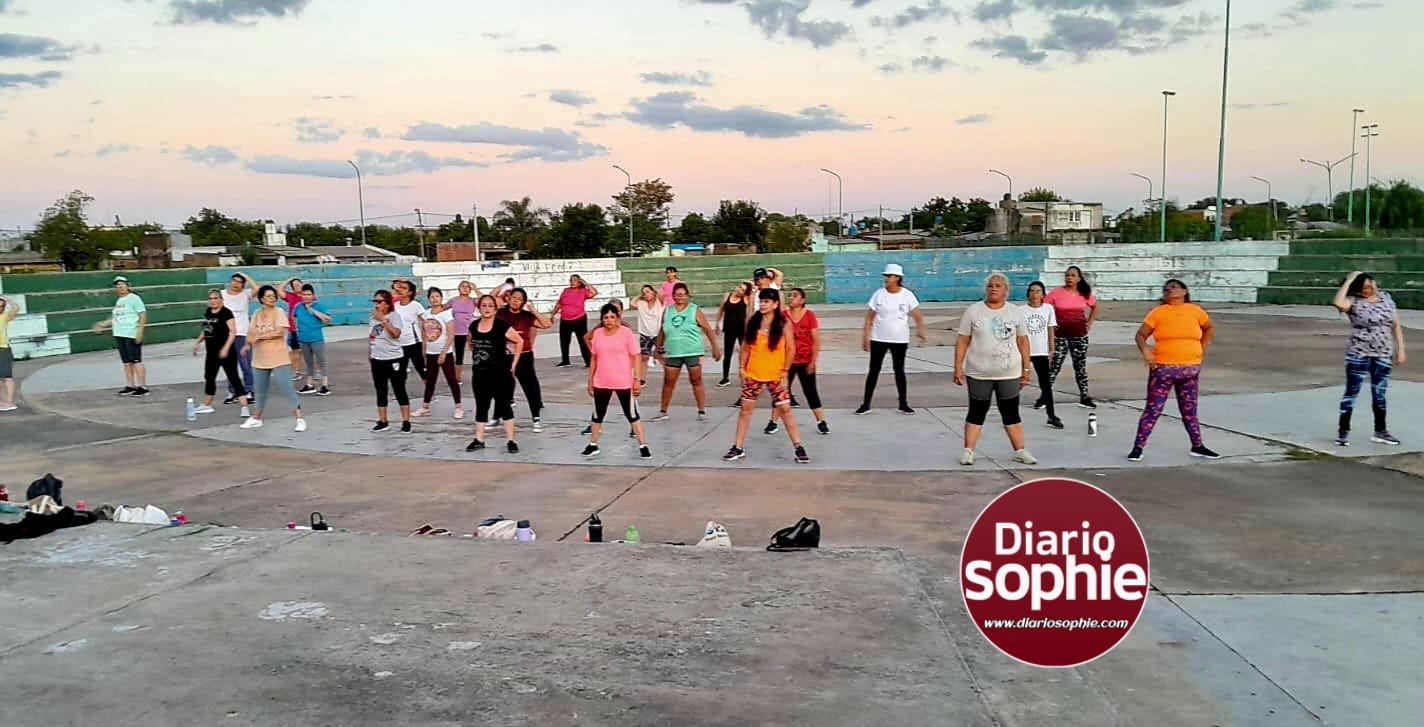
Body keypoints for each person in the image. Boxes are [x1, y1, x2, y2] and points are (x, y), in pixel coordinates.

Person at [1129, 279, 1219, 461]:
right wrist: (1147, 351)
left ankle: (1197, 445)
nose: (1169, 290)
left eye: (1174, 286)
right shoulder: (1158, 312)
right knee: (1153, 409)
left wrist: (1202, 348)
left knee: (1189, 410)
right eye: (1166, 288)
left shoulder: (1195, 310)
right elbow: (1140, 335)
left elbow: (1209, 327)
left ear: (1185, 291)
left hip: (1190, 369)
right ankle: (1138, 447)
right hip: (1163, 368)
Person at [953, 273, 1035, 466]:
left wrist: (1026, 368)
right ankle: (969, 451)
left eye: (998, 286)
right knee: (977, 411)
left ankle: (1020, 450)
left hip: (1009, 373)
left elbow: (1023, 341)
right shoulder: (973, 311)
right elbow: (963, 340)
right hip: (979, 373)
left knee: (1011, 412)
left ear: (1006, 290)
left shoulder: (1015, 312)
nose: (994, 289)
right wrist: (958, 366)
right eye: (990, 285)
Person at [724, 288, 809, 463]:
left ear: (776, 304)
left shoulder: (783, 323)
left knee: (785, 410)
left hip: (776, 375)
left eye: (767, 301)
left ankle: (798, 447)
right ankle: (738, 447)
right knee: (745, 410)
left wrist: (785, 371)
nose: (763, 304)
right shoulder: (753, 322)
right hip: (754, 373)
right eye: (761, 301)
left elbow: (791, 348)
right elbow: (746, 347)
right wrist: (741, 368)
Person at [1332, 271, 1406, 447]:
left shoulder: (1386, 298)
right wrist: (1349, 281)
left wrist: (1401, 350)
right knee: (1352, 392)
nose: (1369, 289)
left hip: (1383, 352)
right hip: (1359, 352)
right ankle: (1343, 432)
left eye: (1370, 284)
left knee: (1379, 394)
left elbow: (1395, 325)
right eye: (1364, 287)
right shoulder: (1354, 302)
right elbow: (1337, 302)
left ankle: (1381, 431)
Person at [583, 302, 653, 460]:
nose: (608, 320)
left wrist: (636, 379)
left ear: (618, 318)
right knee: (597, 414)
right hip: (602, 380)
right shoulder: (599, 334)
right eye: (605, 317)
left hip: (623, 381)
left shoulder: (626, 333)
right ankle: (593, 444)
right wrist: (590, 380)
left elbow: (635, 356)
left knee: (632, 414)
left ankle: (643, 444)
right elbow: (594, 358)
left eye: (612, 317)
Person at [858, 263, 926, 415]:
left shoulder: (907, 295)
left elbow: (917, 314)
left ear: (897, 278)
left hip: (899, 339)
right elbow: (870, 317)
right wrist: (865, 337)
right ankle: (866, 404)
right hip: (879, 338)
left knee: (899, 370)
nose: (887, 279)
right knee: (874, 371)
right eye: (886, 276)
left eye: (890, 276)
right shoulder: (879, 294)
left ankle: (903, 403)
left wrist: (920, 330)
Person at [240, 285, 306, 432]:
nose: (272, 299)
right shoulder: (257, 313)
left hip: (278, 356)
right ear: (262, 299)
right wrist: (248, 344)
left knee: (286, 387)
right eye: (269, 296)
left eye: (273, 296)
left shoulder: (279, 312)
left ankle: (300, 418)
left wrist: (260, 336)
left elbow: (279, 332)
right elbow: (251, 332)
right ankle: (257, 418)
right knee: (260, 389)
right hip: (260, 357)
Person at [465, 294, 524, 453]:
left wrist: (514, 363)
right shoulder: (473, 325)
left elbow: (519, 341)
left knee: (504, 406)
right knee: (481, 406)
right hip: (479, 373)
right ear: (479, 308)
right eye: (484, 305)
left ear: (495, 308)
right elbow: (470, 342)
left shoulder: (501, 325)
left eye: (490, 306)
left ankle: (511, 440)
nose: (487, 309)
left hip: (500, 373)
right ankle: (479, 439)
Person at [653, 282, 720, 422]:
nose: (680, 297)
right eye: (677, 295)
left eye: (683, 295)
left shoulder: (694, 310)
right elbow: (662, 330)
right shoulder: (668, 310)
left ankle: (701, 411)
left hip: (692, 351)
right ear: (673, 296)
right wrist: (657, 349)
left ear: (688, 296)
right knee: (668, 382)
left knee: (696, 380)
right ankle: (663, 410)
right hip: (673, 352)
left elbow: (707, 329)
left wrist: (715, 347)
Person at [767, 288, 829, 436]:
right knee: (780, 392)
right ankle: (773, 422)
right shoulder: (783, 316)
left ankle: (821, 421)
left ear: (802, 300)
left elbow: (816, 341)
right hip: (787, 361)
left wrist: (813, 361)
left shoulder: (809, 316)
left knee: (810, 391)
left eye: (795, 296)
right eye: (790, 295)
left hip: (805, 359)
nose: (791, 298)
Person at [497, 288, 551, 432]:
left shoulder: (527, 316)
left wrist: (534, 311)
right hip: (505, 355)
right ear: (508, 298)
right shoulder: (500, 313)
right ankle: (497, 416)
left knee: (530, 387)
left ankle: (536, 418)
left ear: (523, 302)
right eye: (514, 297)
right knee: (501, 386)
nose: (516, 301)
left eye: (519, 299)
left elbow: (547, 324)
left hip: (524, 355)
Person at [1045, 265, 1099, 409]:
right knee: (1055, 365)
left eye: (1073, 275)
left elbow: (1095, 307)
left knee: (1080, 366)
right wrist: (1050, 324)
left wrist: (1089, 323)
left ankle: (1084, 396)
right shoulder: (1056, 293)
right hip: (1060, 335)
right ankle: (1045, 396)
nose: (1069, 278)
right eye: (1068, 275)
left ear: (1079, 278)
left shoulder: (1084, 293)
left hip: (1079, 335)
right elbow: (1044, 308)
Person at [191, 290, 250, 418]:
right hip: (211, 351)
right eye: (210, 298)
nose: (213, 300)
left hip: (226, 352)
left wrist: (226, 348)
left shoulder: (226, 313)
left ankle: (244, 406)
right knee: (209, 376)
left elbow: (232, 332)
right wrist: (198, 342)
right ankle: (207, 404)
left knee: (233, 377)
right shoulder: (208, 312)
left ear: (221, 300)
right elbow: (206, 329)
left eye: (216, 298)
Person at [91, 276, 149, 397]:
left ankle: (143, 386)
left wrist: (140, 331)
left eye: (122, 285)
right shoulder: (119, 301)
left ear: (128, 286)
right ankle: (130, 385)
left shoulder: (134, 298)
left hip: (131, 333)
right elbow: (115, 317)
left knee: (136, 360)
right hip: (120, 333)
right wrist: (103, 324)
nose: (120, 287)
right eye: (118, 285)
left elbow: (142, 314)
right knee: (126, 362)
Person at [415, 287, 463, 419]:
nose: (434, 299)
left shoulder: (446, 314)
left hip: (445, 353)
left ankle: (458, 407)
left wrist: (444, 352)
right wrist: (424, 347)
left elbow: (451, 333)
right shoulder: (426, 314)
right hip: (431, 352)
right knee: (430, 381)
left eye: (437, 296)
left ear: (441, 298)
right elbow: (424, 332)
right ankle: (425, 406)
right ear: (429, 299)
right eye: (432, 297)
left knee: (451, 380)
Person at [367, 289, 411, 433]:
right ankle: (383, 420)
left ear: (387, 303)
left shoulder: (394, 316)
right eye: (375, 301)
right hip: (377, 358)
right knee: (381, 390)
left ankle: (406, 421)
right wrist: (370, 353)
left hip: (393, 358)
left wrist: (384, 321)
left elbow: (396, 334)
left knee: (399, 390)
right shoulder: (373, 317)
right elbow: (372, 336)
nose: (376, 305)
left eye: (379, 301)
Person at [1021, 281, 1063, 429]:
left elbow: (1050, 329)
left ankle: (1051, 416)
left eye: (1038, 291)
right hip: (1024, 351)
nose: (1034, 294)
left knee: (1046, 385)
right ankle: (1010, 414)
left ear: (1043, 294)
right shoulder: (1021, 310)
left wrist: (1051, 349)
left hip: (1041, 351)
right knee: (1017, 383)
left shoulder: (1048, 309)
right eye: (1032, 291)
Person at [221, 272, 257, 403]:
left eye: (239, 282)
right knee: (230, 365)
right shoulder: (222, 294)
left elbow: (257, 289)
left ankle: (249, 390)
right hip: (227, 334)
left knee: (245, 365)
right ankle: (233, 391)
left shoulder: (245, 294)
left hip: (242, 334)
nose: (236, 284)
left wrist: (246, 276)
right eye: (234, 280)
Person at [294, 284, 332, 396]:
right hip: (303, 339)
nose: (306, 296)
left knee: (321, 361)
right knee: (308, 362)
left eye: (308, 294)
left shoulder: (319, 306)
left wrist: (312, 310)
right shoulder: (298, 306)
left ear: (313, 295)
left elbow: (328, 319)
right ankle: (309, 384)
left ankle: (324, 385)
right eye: (304, 294)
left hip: (316, 338)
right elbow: (295, 318)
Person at [553, 274, 598, 367]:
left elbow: (594, 292)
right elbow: (559, 303)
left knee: (582, 340)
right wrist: (552, 314)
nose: (572, 282)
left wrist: (585, 282)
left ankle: (588, 361)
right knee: (564, 341)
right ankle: (565, 360)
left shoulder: (583, 291)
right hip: (565, 319)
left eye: (575, 280)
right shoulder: (566, 291)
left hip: (579, 319)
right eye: (571, 280)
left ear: (579, 282)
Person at [714, 281, 752, 387]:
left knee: (745, 353)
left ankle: (748, 376)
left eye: (743, 290)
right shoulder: (727, 296)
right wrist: (717, 323)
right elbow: (721, 310)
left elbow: (748, 315)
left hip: (741, 330)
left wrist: (748, 330)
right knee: (727, 354)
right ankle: (725, 377)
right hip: (729, 329)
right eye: (740, 287)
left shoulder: (746, 299)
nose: (739, 290)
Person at [392, 279, 428, 380]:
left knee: (422, 369)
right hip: (399, 343)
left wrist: (425, 344)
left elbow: (426, 322)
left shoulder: (416, 305)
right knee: (400, 373)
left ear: (410, 292)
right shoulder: (395, 306)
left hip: (414, 343)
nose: (401, 290)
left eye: (404, 288)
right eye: (400, 288)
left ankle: (430, 394)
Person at [630, 285, 665, 386]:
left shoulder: (660, 303)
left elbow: (662, 294)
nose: (646, 294)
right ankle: (642, 379)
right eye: (644, 293)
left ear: (653, 292)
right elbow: (632, 304)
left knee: (662, 357)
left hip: (658, 333)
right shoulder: (641, 303)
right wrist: (639, 296)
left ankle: (668, 376)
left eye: (648, 292)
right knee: (644, 357)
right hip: (645, 334)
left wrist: (654, 289)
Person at [450, 281, 479, 382]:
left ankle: (480, 374)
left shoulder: (473, 301)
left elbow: (484, 301)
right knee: (459, 356)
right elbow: (442, 308)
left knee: (477, 353)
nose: (465, 288)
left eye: (468, 287)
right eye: (463, 286)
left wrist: (475, 288)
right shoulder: (453, 300)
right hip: (458, 332)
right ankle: (457, 378)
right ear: (459, 288)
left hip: (471, 331)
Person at [280, 277, 306, 380]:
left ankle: (316, 372)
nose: (297, 286)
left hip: (305, 328)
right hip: (293, 329)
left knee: (310, 351)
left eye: (298, 284)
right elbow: (279, 291)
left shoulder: (308, 296)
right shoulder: (290, 296)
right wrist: (289, 279)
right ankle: (296, 372)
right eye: (294, 285)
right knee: (296, 351)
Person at [0, 294, 21, 412]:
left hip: (3, 349)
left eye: (2, 306)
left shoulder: (4, 316)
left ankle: (9, 402)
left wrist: (6, 299)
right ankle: (3, 401)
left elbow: (16, 308)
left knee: (7, 377)